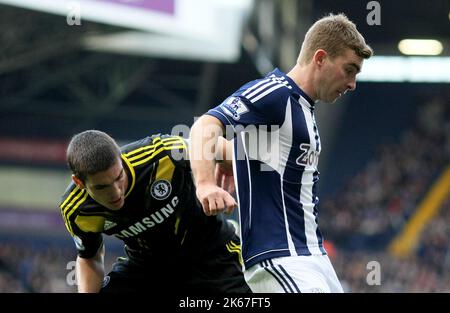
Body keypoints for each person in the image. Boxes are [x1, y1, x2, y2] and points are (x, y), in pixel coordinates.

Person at [189, 13, 373, 293]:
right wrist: (204, 184)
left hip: (314, 257)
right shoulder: (276, 94)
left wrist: (230, 158)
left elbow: (270, 159)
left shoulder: (304, 110)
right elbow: (204, 126)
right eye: (349, 70)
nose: (352, 84)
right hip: (281, 256)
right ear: (320, 58)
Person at [59, 130, 251, 293]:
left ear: (121, 158)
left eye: (119, 177)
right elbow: (90, 257)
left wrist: (222, 168)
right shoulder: (77, 210)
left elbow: (209, 143)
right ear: (79, 182)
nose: (116, 192)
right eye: (102, 187)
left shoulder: (160, 154)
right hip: (146, 268)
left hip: (213, 255)